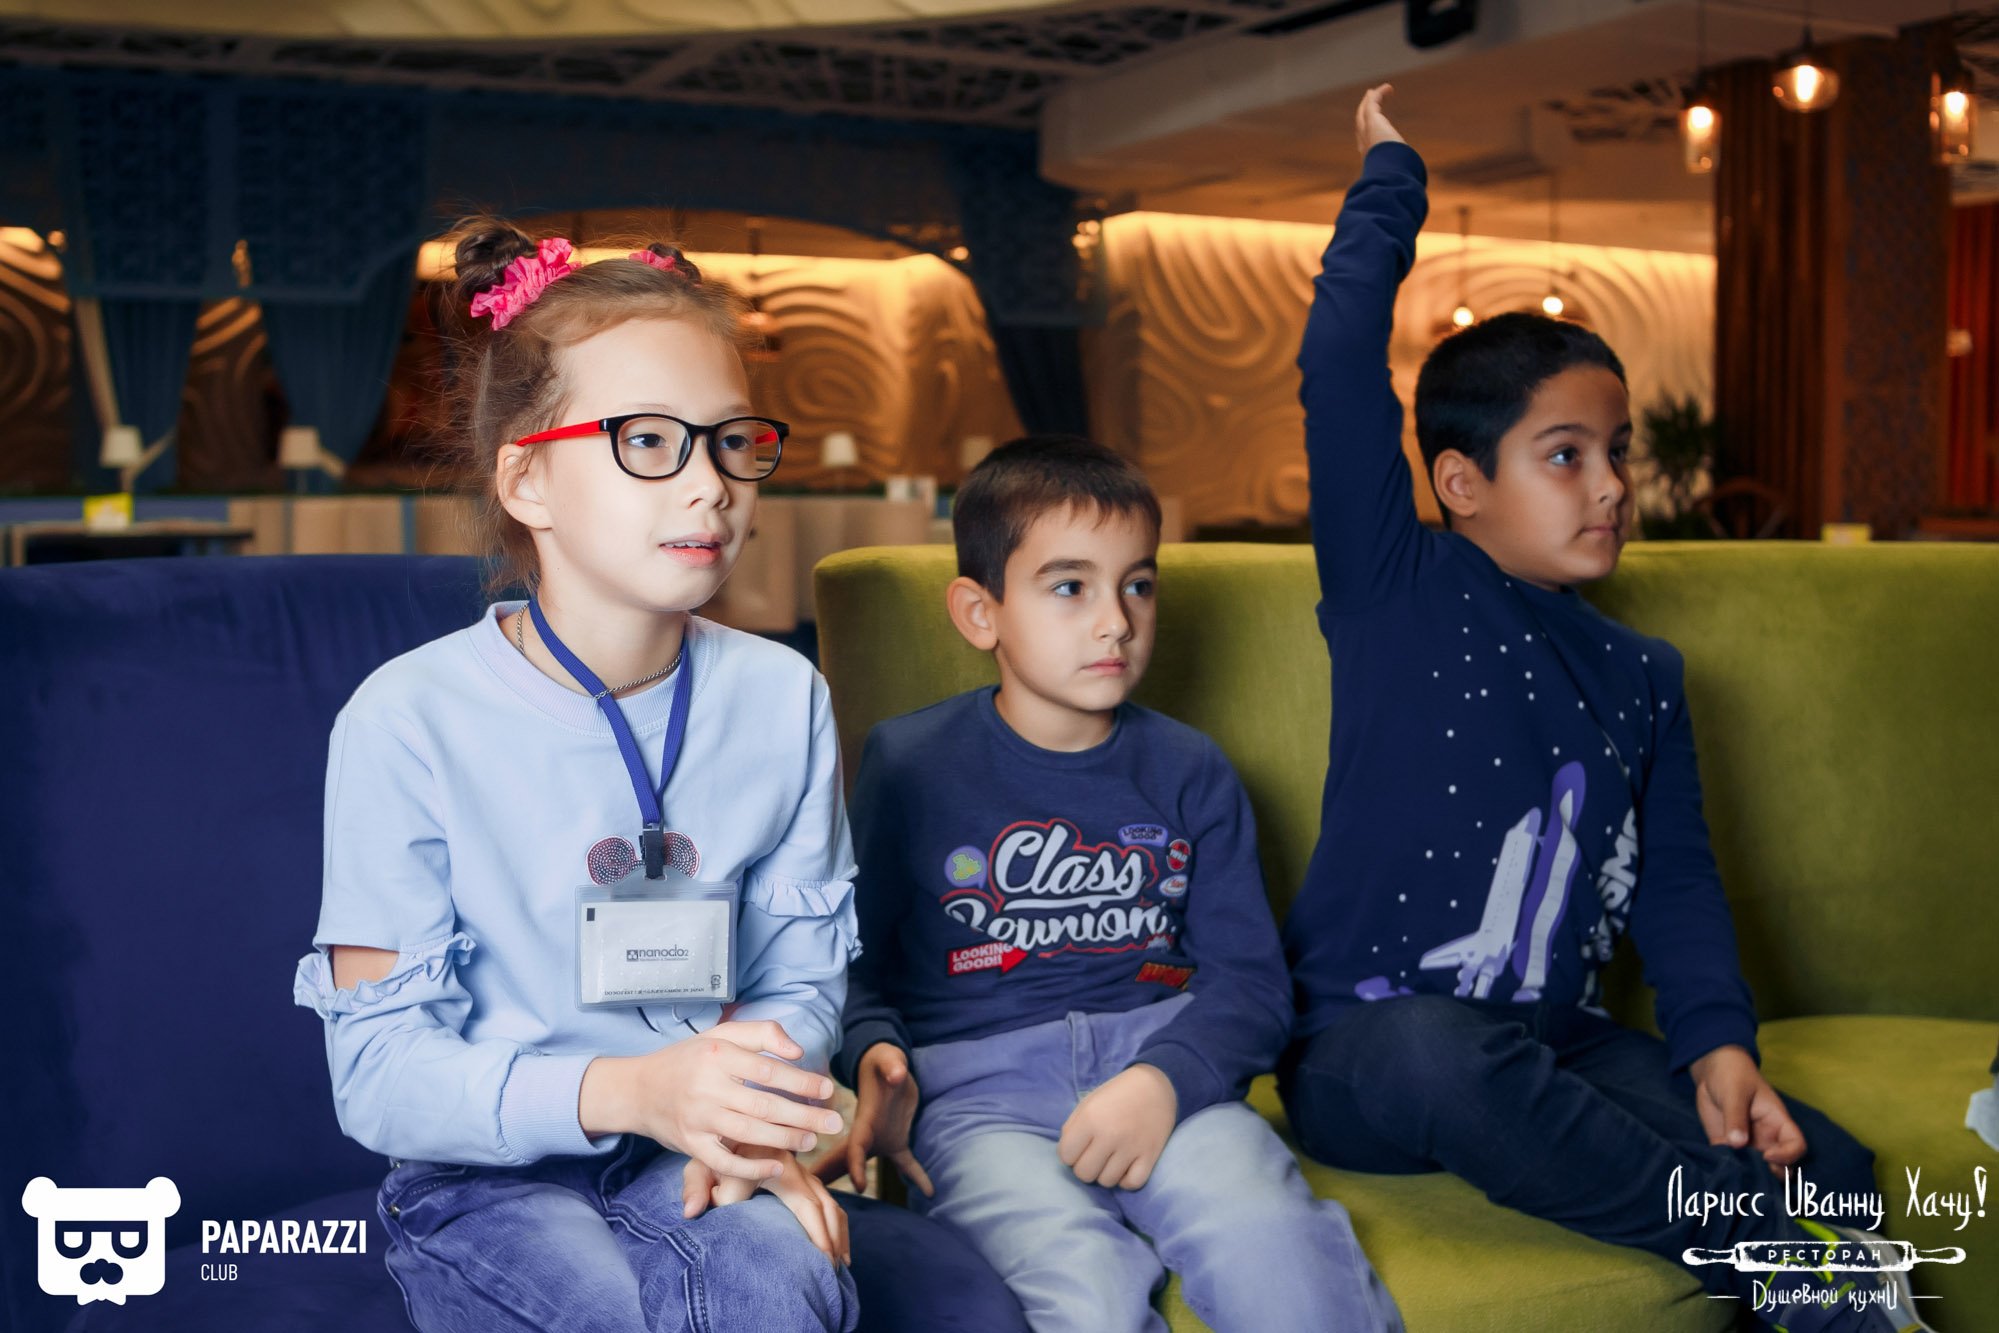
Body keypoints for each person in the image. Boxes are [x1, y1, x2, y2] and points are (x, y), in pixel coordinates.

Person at [1276, 87, 1933, 1333]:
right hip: (1371, 1052)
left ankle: (1817, 1265)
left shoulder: (1645, 674)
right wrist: (1391, 178)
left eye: (1619, 449)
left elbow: (1674, 883)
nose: (1613, 485)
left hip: (1557, 1041)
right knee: (1438, 1053)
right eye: (1565, 453)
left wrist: (1718, 1048)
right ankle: (1791, 1273)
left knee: (1830, 1164)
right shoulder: (1396, 587)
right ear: (1459, 483)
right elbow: (1335, 365)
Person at [293, 222, 1020, 1333]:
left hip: (697, 1142)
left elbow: (800, 980)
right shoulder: (408, 720)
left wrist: (746, 1118)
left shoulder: (781, 696)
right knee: (601, 1308)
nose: (710, 485)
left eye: (732, 441)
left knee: (784, 1283)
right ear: (527, 478)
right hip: (485, 1171)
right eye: (647, 440)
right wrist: (637, 1090)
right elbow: (382, 1074)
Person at [823, 435, 1402, 1333]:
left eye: (1137, 584)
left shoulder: (1190, 769)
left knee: (1273, 1242)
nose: (1115, 621)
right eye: (1070, 586)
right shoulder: (908, 764)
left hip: (1163, 1068)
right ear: (979, 612)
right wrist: (872, 1053)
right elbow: (852, 959)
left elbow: (1250, 984)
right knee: (1079, 1285)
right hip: (979, 1101)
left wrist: (1165, 1080)